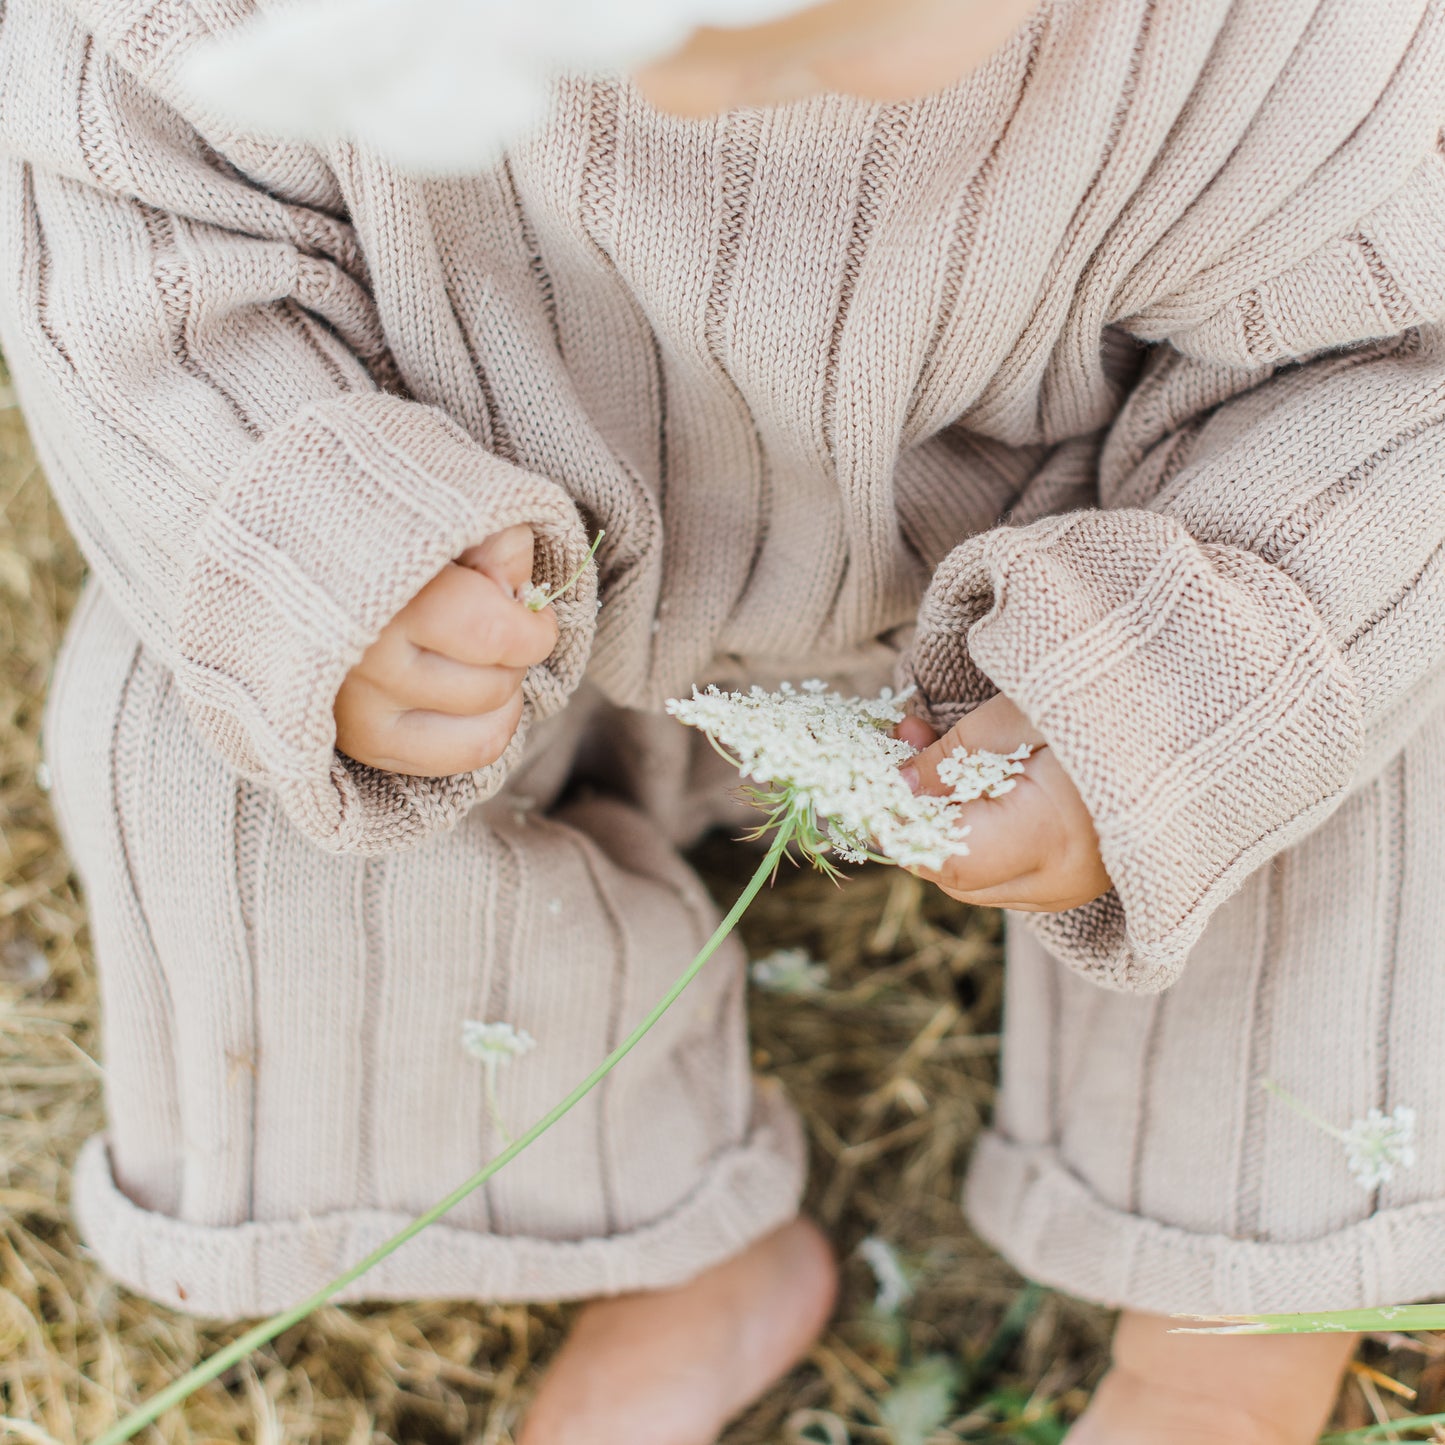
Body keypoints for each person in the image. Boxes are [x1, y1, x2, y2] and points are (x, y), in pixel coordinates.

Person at [2, 0, 1442, 1440]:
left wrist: (1181, 684)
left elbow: (1389, 372)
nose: (686, 99)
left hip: (1068, 587)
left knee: (1349, 732)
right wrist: (325, 554)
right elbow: (137, 263)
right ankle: (650, 1238)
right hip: (492, 565)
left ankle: (1221, 1343)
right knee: (197, 742)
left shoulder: (1299, 39)